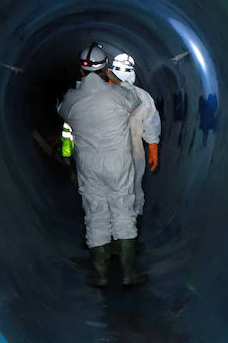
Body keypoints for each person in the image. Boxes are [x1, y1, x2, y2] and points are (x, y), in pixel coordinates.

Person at [58, 43, 147, 287]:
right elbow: (134, 100)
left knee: (95, 214)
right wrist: (114, 80)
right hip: (117, 161)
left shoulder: (72, 98)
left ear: (81, 70)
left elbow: (63, 111)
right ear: (105, 69)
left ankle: (100, 275)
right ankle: (129, 274)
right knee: (123, 212)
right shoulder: (118, 95)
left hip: (88, 163)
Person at [111, 52, 160, 216]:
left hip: (108, 154)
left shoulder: (101, 95)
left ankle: (112, 220)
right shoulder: (143, 96)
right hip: (135, 154)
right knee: (134, 187)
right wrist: (153, 149)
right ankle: (133, 218)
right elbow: (151, 124)